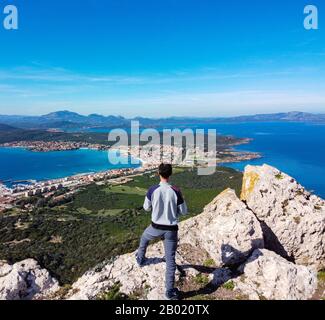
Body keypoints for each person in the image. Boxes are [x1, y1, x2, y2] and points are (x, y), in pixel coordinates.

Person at [136, 163, 188, 300]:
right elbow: (184, 211)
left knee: (144, 239)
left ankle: (140, 259)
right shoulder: (176, 190)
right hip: (171, 230)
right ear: (170, 174)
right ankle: (169, 292)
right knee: (170, 260)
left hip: (155, 227)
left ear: (159, 173)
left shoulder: (152, 189)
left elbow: (146, 208)